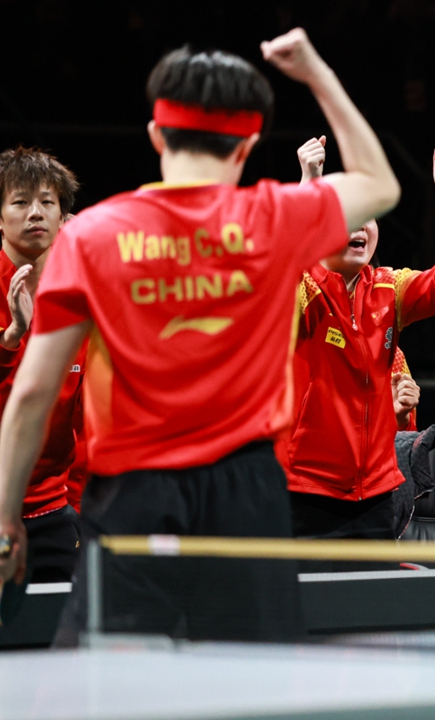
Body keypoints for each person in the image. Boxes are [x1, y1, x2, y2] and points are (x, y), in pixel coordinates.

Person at [0, 28, 400, 644]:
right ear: (246, 146)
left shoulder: (93, 234)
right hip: (247, 495)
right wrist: (315, 72)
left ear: (158, 135)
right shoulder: (272, 217)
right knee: (249, 682)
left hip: (132, 494)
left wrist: (5, 518)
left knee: (112, 681)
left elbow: (30, 393)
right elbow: (380, 185)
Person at [285, 139, 435, 540]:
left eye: (367, 216)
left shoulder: (390, 288)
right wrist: (308, 188)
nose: (359, 226)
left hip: (375, 491)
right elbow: (277, 271)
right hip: (303, 488)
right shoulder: (302, 285)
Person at [0, 148, 85, 627]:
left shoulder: (80, 296)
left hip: (54, 512)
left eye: (47, 202)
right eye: (20, 201)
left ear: (63, 216)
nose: (35, 212)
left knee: (62, 652)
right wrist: (11, 339)